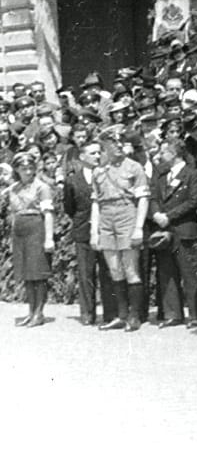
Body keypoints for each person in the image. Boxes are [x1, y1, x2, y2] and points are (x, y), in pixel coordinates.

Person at [91, 124, 150, 332]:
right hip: (107, 218)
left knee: (130, 268)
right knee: (114, 269)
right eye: (112, 142)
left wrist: (138, 228)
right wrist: (94, 231)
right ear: (104, 145)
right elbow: (96, 203)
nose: (117, 146)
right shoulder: (99, 171)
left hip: (127, 214)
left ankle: (134, 316)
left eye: (119, 142)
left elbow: (142, 199)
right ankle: (121, 314)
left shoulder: (134, 167)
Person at [148, 138, 197, 328]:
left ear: (174, 154)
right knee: (167, 272)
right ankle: (173, 313)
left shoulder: (192, 174)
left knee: (189, 273)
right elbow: (154, 196)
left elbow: (193, 201)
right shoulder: (162, 176)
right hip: (164, 231)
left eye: (163, 152)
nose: (160, 156)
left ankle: (195, 315)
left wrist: (168, 216)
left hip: (183, 230)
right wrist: (156, 213)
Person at [64, 139, 117, 326]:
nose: (97, 156)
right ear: (82, 156)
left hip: (106, 228)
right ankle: (87, 313)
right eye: (92, 153)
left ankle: (111, 313)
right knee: (85, 273)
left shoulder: (108, 175)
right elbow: (69, 207)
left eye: (98, 152)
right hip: (83, 230)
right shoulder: (72, 180)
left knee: (108, 271)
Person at [7, 152, 55, 327]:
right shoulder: (14, 188)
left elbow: (48, 213)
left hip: (36, 227)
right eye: (23, 168)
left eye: (30, 168)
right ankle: (30, 311)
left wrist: (49, 238)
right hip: (20, 230)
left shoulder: (42, 187)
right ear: (17, 170)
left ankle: (39, 312)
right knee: (26, 273)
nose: (27, 171)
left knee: (38, 273)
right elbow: (13, 212)